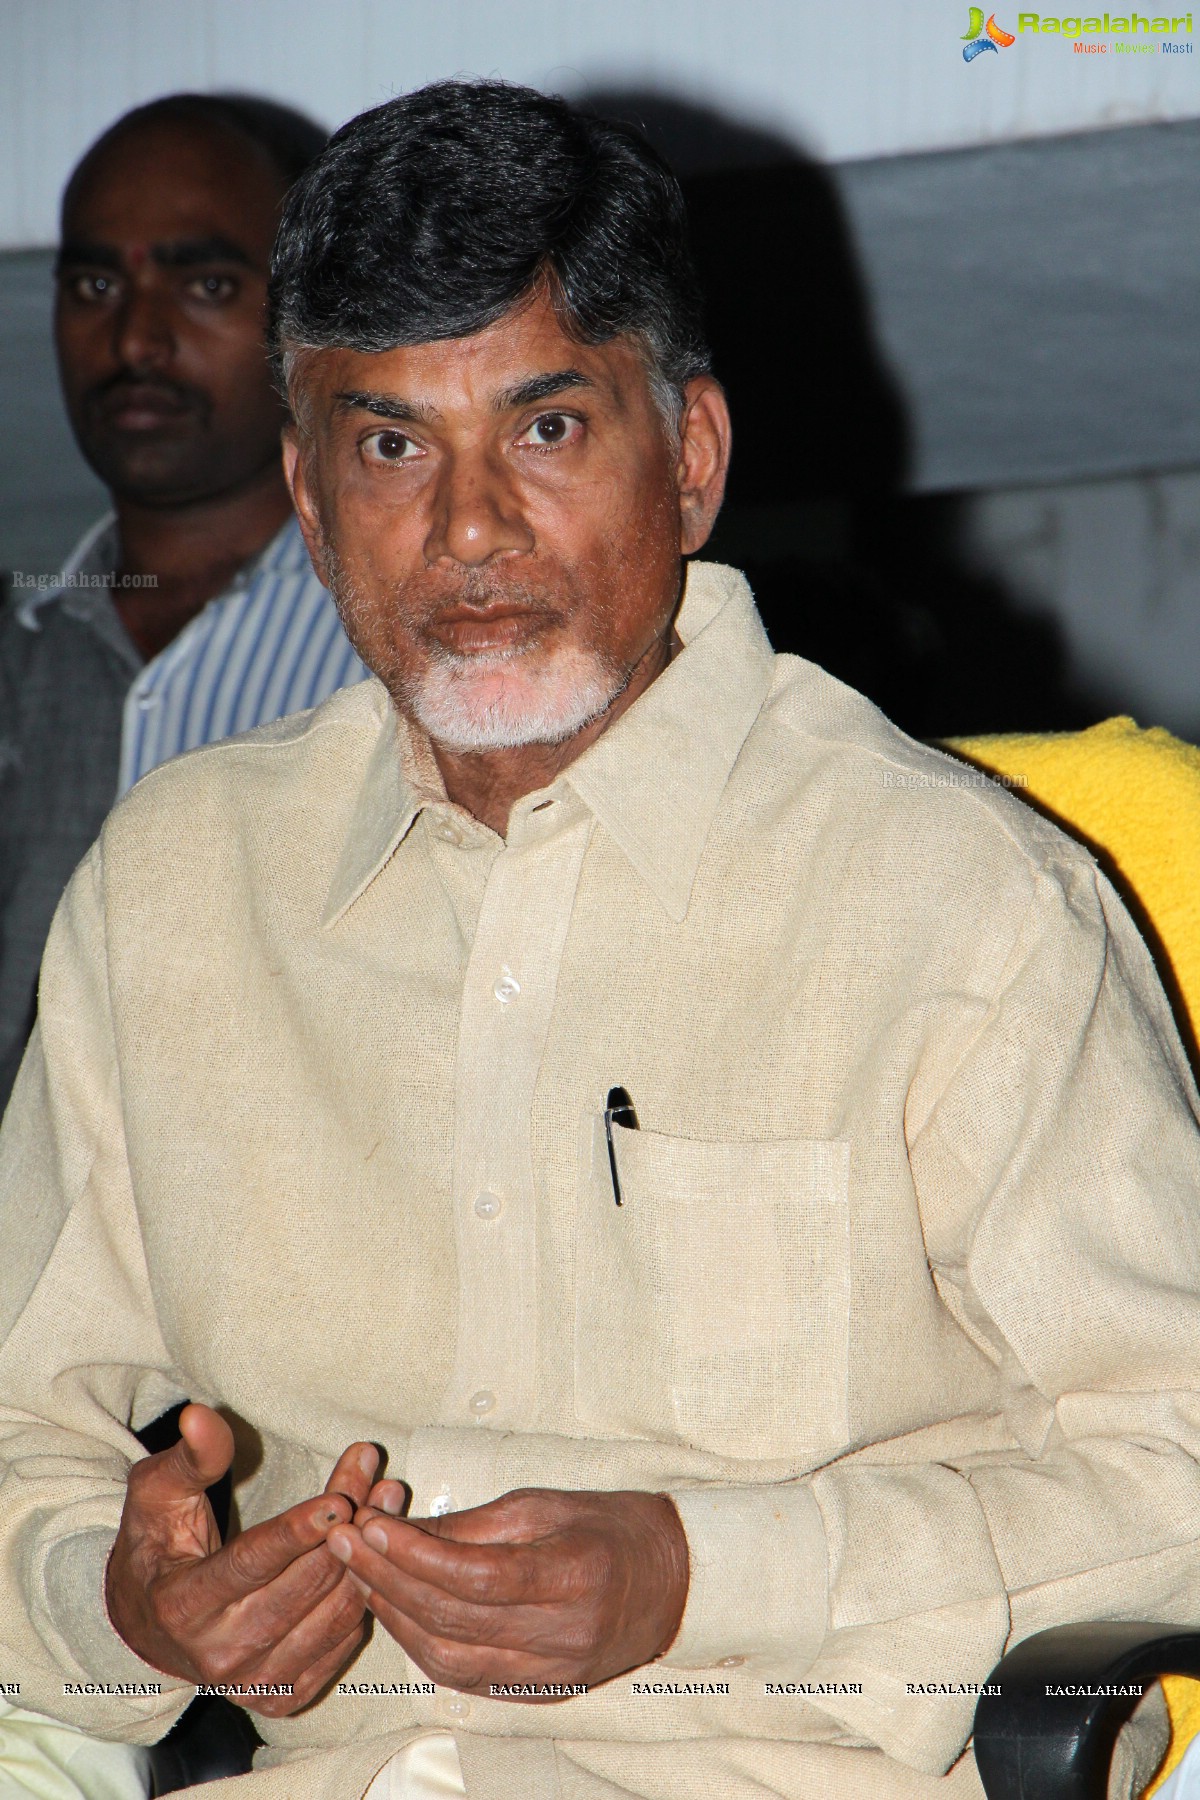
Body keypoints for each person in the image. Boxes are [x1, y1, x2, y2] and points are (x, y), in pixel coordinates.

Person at [0, 78, 1196, 1800]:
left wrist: (705, 1576)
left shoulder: (956, 905)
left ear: (692, 461)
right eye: (392, 444)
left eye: (546, 430)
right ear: (311, 498)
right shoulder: (170, 896)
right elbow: (25, 1445)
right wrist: (124, 1604)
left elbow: (1178, 1465)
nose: (469, 529)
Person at [0, 92, 369, 1108]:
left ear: (306, 314)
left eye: (204, 281)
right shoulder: (24, 649)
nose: (136, 337)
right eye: (94, 281)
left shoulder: (400, 646)